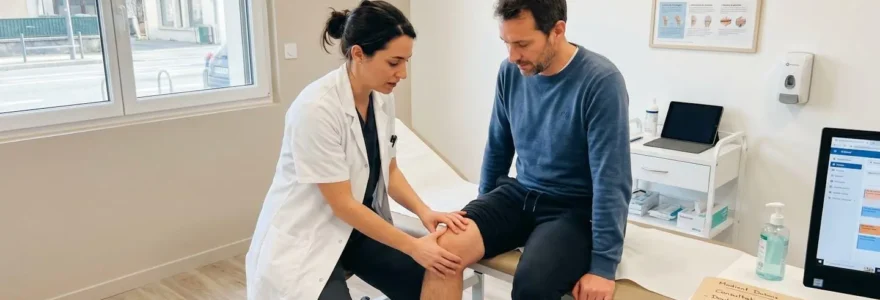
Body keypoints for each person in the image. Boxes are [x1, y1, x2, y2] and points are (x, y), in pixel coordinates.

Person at [244, 1, 469, 299]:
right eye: (393, 62)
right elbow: (343, 205)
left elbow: (390, 170)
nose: (402, 73)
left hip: (357, 232)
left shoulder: (382, 98)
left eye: (406, 61)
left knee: (435, 274)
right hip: (308, 239)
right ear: (358, 54)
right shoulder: (316, 109)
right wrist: (413, 245)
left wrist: (424, 212)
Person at [420, 0, 632, 299]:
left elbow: (611, 179)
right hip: (519, 194)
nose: (513, 56)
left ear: (557, 30)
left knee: (532, 286)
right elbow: (498, 147)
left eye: (522, 44)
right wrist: (483, 217)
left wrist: (603, 267)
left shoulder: (601, 82)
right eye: (506, 43)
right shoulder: (509, 72)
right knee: (441, 253)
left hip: (571, 209)